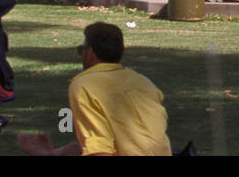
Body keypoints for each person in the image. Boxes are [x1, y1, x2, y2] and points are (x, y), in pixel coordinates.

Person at [18, 22, 171, 156]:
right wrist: (51, 154)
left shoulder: (84, 86)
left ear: (90, 52)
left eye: (81, 49)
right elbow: (97, 143)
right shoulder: (144, 83)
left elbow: (100, 151)